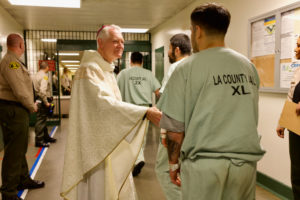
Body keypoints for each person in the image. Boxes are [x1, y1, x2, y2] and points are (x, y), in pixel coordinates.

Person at [157, 4, 265, 200]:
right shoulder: (248, 67)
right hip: (245, 166)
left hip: (204, 168)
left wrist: (173, 164)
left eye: (191, 30)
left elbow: (174, 130)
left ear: (197, 31)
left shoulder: (185, 69)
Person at [61, 25, 161, 200]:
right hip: (96, 146)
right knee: (99, 189)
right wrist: (143, 111)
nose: (121, 45)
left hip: (107, 139)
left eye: (122, 42)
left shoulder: (106, 69)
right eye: (115, 41)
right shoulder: (90, 69)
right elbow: (104, 105)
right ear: (100, 43)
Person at [0, 34, 45, 200]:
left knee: (19, 148)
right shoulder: (10, 62)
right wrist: (30, 104)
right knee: (13, 152)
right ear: (20, 44)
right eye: (24, 44)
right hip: (13, 110)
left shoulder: (14, 61)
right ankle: (8, 193)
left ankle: (22, 179)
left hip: (15, 110)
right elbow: (19, 89)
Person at [155, 33, 191, 200]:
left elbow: (167, 104)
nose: (168, 52)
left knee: (165, 171)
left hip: (175, 131)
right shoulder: (197, 65)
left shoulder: (176, 68)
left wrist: (164, 134)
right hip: (194, 133)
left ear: (176, 50)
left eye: (169, 48)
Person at [117, 52, 161, 176]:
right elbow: (158, 92)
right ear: (142, 61)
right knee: (141, 137)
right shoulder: (148, 74)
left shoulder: (123, 74)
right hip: (144, 110)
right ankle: (138, 158)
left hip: (128, 109)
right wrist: (156, 107)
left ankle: (136, 159)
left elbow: (115, 90)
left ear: (130, 61)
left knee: (129, 137)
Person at [276, 35, 300, 199]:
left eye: (299, 45)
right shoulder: (298, 70)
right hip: (296, 126)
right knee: (297, 172)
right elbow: (291, 97)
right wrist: (282, 122)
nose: (295, 49)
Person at [33, 61, 57, 148]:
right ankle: (39, 140)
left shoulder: (35, 75)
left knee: (43, 120)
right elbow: (42, 91)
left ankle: (45, 137)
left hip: (38, 100)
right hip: (43, 101)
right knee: (40, 121)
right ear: (47, 67)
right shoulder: (44, 76)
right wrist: (46, 102)